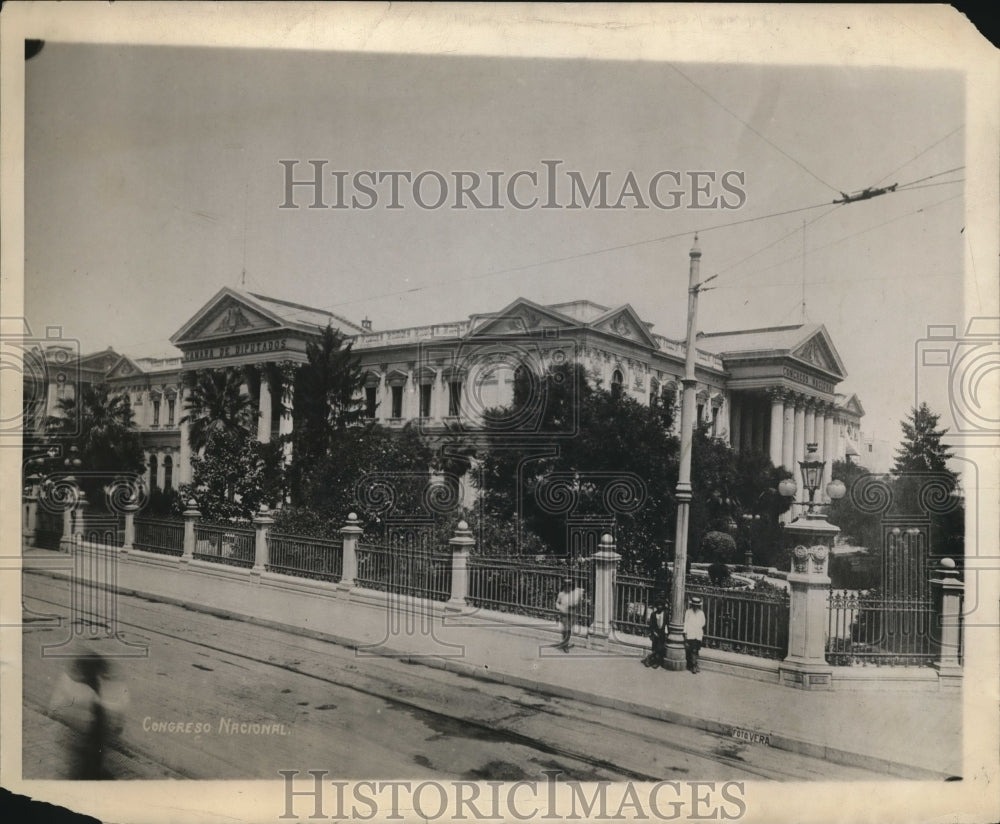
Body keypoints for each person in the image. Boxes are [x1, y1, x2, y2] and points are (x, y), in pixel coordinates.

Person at [554, 576, 583, 652]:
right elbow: (557, 603)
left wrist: (575, 604)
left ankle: (565, 642)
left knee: (569, 630)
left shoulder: (573, 594)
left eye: (569, 585)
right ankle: (565, 645)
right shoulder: (561, 594)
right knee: (566, 629)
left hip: (571, 614)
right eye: (566, 585)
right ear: (564, 585)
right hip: (564, 614)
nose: (568, 587)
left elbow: (578, 602)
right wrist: (559, 608)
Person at [643, 597, 668, 668]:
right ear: (656, 606)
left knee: (660, 648)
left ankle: (651, 660)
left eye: (661, 605)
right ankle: (653, 661)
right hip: (655, 633)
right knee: (655, 648)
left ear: (663, 606)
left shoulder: (665, 614)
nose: (659, 607)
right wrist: (654, 632)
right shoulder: (653, 614)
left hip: (662, 633)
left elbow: (666, 624)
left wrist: (666, 633)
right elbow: (651, 625)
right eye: (658, 605)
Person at [683, 596, 706, 673]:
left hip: (698, 634)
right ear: (692, 605)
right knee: (692, 649)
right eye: (694, 605)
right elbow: (685, 622)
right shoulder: (688, 612)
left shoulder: (701, 613)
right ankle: (694, 665)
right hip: (690, 634)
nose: (695, 606)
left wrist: (697, 627)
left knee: (696, 650)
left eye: (697, 605)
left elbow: (703, 623)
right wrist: (685, 632)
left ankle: (694, 664)